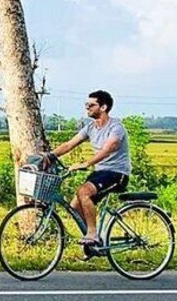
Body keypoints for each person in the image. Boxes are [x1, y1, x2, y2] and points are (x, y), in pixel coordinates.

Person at [46, 90, 131, 246]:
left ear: (104, 107)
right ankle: (94, 243)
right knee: (74, 207)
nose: (87, 108)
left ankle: (92, 234)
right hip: (100, 173)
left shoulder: (116, 126)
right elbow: (69, 144)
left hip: (117, 174)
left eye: (91, 105)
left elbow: (109, 147)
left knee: (83, 192)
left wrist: (87, 163)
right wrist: (50, 156)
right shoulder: (90, 127)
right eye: (86, 105)